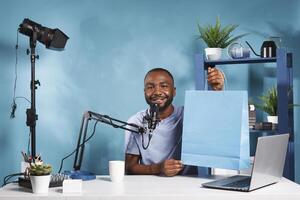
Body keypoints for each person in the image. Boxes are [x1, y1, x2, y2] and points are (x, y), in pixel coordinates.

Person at [125, 67, 224, 176]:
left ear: (174, 91)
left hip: (190, 185)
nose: (157, 92)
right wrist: (158, 168)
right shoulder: (136, 122)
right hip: (152, 186)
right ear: (144, 92)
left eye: (164, 86)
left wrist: (217, 90)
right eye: (150, 87)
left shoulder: (189, 115)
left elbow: (216, 120)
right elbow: (129, 167)